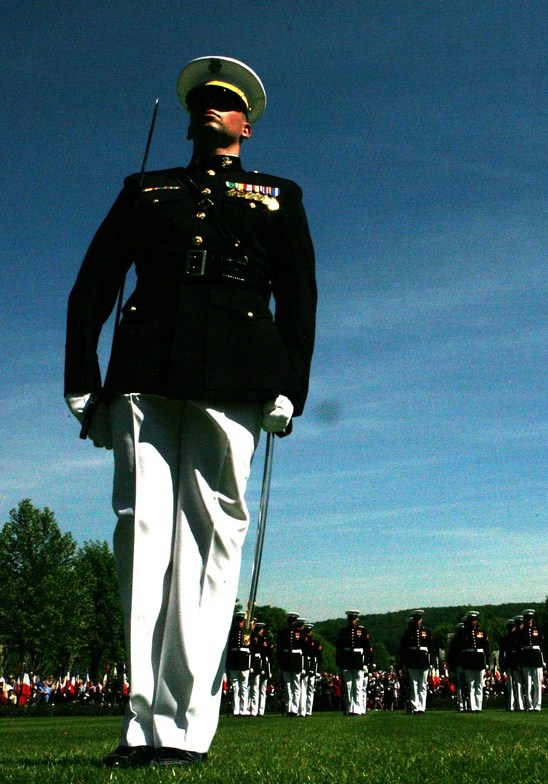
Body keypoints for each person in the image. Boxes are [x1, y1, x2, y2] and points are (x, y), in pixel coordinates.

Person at [65, 55, 316, 768]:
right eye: (201, 101)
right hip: (144, 365)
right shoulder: (147, 189)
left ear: (245, 124)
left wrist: (290, 386)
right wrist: (82, 379)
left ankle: (183, 728)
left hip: (238, 371)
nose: (211, 107)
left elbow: (300, 299)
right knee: (142, 539)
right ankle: (140, 727)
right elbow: (94, 283)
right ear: (190, 120)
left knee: (210, 544)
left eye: (225, 103)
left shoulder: (279, 195)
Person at [336, 611, 372, 715]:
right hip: (346, 659)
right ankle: (350, 708)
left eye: (354, 619)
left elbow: (366, 648)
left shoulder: (362, 631)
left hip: (358, 659)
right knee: (348, 686)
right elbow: (339, 649)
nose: (352, 621)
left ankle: (358, 708)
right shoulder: (343, 631)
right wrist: (339, 663)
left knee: (358, 686)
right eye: (350, 619)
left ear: (357, 619)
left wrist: (365, 663)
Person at [399, 610, 433, 714]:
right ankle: (415, 707)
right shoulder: (408, 633)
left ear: (421, 620)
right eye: (415, 619)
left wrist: (431, 663)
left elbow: (431, 648)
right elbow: (403, 649)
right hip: (412, 660)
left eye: (419, 619)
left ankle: (421, 707)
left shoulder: (426, 632)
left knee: (422, 685)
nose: (417, 621)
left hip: (423, 660)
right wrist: (404, 663)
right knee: (413, 684)